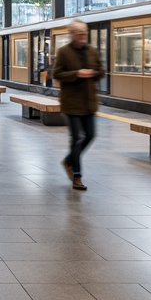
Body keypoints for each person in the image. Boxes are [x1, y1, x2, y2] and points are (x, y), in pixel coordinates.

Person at [51, 19, 105, 191]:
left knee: (90, 135)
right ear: (72, 34)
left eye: (84, 33)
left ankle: (68, 160)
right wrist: (77, 73)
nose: (83, 36)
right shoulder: (64, 52)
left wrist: (94, 73)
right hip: (71, 102)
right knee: (76, 138)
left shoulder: (92, 51)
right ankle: (77, 176)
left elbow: (101, 71)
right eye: (79, 33)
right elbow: (57, 73)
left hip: (89, 102)